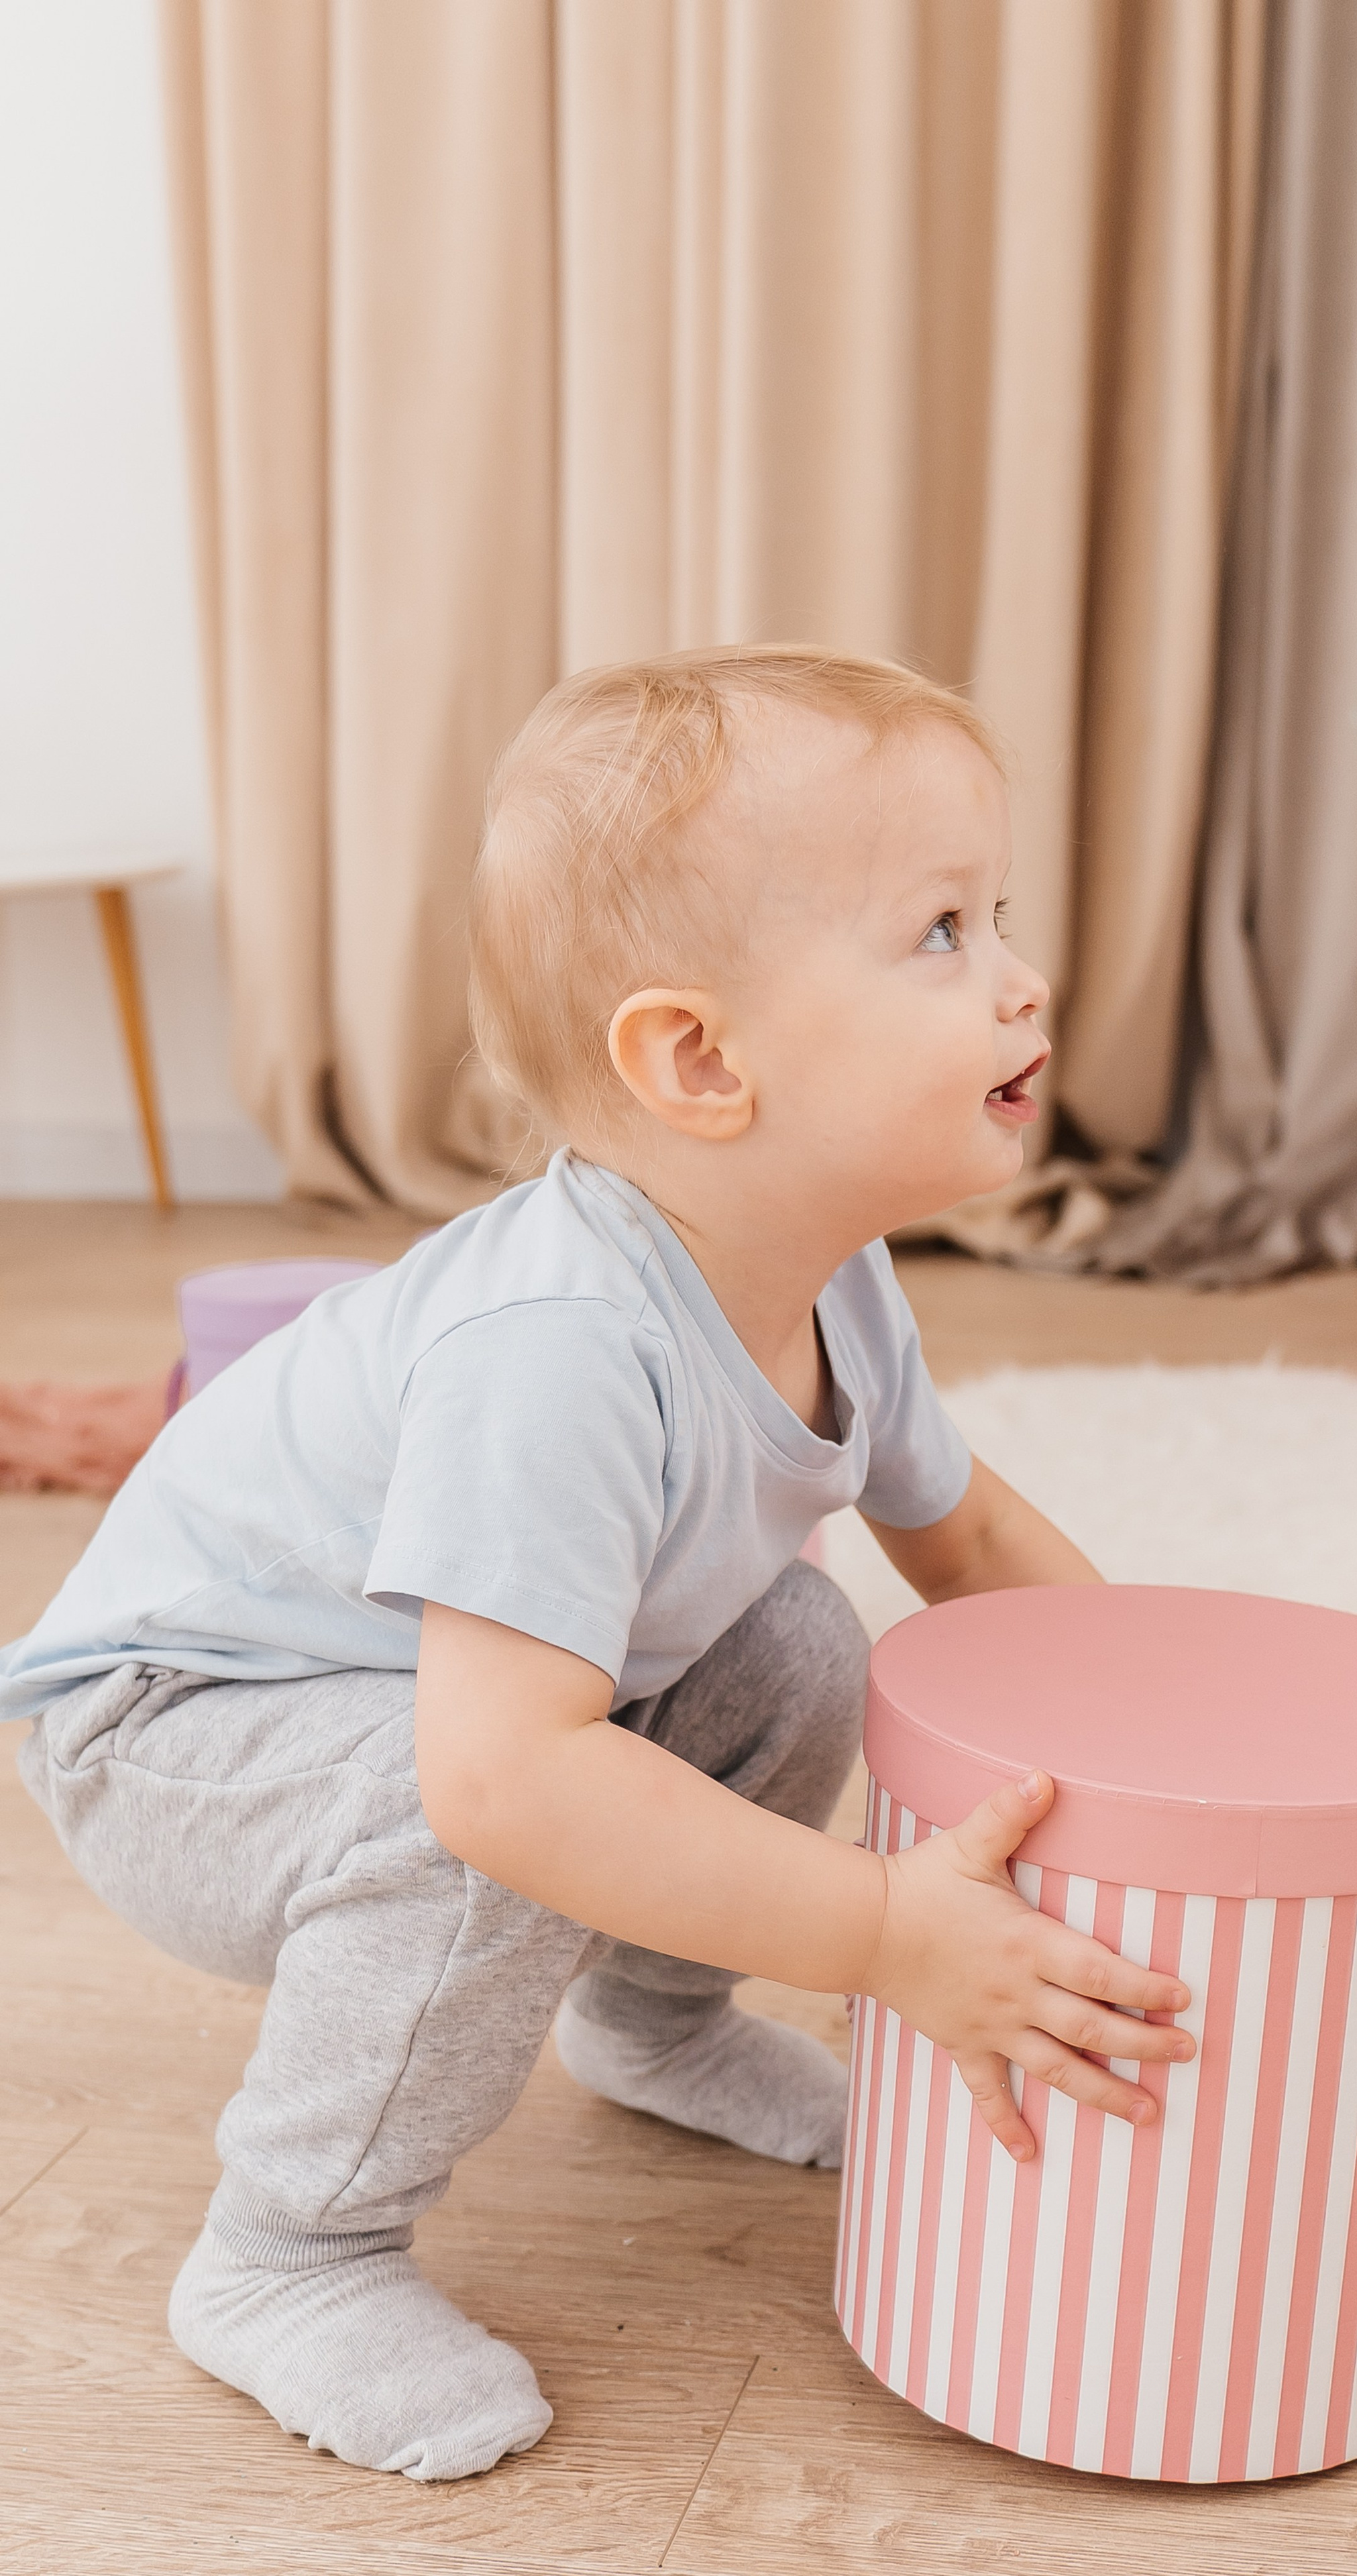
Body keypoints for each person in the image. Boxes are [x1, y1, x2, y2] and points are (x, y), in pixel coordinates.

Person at [2, 647, 1194, 2482]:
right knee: (477, 1818)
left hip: (391, 1700)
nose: (1022, 976)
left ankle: (654, 2024)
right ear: (702, 1060)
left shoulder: (833, 1275)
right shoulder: (557, 1345)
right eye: (942, 932)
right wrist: (889, 1938)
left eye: (999, 914)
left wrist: (1172, 1742)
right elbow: (495, 1777)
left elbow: (964, 1538)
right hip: (170, 1731)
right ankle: (285, 2251)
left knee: (796, 1636)